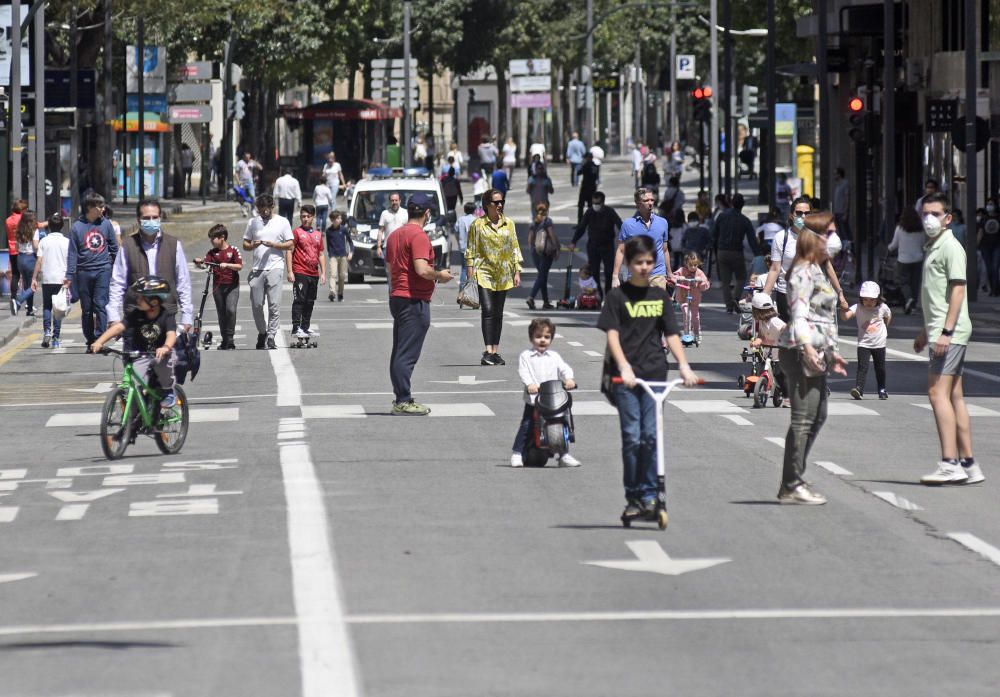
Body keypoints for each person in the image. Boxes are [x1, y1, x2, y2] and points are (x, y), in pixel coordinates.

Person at [598, 234, 699, 520]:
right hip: (626, 378)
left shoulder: (659, 297)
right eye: (638, 262)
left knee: (651, 436)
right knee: (632, 437)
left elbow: (671, 334)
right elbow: (613, 336)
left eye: (649, 262)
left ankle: (651, 494)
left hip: (655, 373)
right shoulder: (617, 297)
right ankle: (634, 496)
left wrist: (683, 365)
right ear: (629, 263)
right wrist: (624, 367)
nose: (644, 267)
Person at [776, 213, 848, 505]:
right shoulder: (803, 271)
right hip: (800, 350)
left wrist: (832, 352)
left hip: (816, 351)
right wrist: (808, 350)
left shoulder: (816, 268)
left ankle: (792, 480)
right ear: (814, 237)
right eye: (828, 233)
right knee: (804, 418)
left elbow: (824, 317)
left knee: (817, 416)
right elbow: (800, 313)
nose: (834, 239)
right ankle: (792, 483)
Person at [913, 193, 983, 486]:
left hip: (949, 332)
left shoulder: (951, 247)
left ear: (948, 218)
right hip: (941, 329)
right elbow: (935, 296)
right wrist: (925, 331)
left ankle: (949, 462)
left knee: (936, 393)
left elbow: (957, 290)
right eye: (926, 213)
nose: (930, 218)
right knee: (954, 395)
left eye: (936, 213)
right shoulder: (933, 246)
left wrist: (945, 331)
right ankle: (969, 464)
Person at [387, 193, 455, 415]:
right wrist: (440, 275)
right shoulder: (419, 236)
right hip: (413, 298)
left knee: (400, 350)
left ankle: (401, 397)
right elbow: (421, 269)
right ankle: (403, 400)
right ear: (427, 213)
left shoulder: (395, 235)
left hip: (398, 295)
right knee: (407, 353)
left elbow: (391, 268)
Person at [108, 198, 194, 347]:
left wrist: (187, 316)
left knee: (166, 365)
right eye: (146, 218)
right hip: (135, 316)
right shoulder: (128, 245)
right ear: (138, 220)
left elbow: (183, 283)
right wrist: (113, 316)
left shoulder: (173, 245)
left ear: (160, 218)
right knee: (134, 366)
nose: (151, 221)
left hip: (165, 317)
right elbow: (118, 283)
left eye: (155, 217)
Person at [91, 276, 178, 408]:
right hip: (141, 355)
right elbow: (119, 327)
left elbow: (171, 334)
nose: (137, 300)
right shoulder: (136, 314)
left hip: (162, 354)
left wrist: (166, 347)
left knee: (163, 364)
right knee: (135, 384)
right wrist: (99, 342)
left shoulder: (166, 315)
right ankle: (135, 419)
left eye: (141, 298)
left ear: (153, 302)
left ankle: (168, 392)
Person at [763, 197, 848, 322]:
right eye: (799, 213)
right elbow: (775, 269)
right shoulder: (781, 238)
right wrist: (764, 297)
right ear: (791, 215)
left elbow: (827, 266)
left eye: (807, 213)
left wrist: (840, 293)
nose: (803, 216)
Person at [511, 318, 579, 467]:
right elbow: (524, 372)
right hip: (534, 398)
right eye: (538, 336)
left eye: (546, 337)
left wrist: (569, 379)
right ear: (531, 338)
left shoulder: (554, 356)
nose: (542, 340)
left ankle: (564, 455)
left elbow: (564, 368)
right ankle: (517, 453)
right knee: (527, 424)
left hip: (554, 398)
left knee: (562, 421)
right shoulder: (526, 356)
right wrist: (530, 384)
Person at [466, 188, 522, 366]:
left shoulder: (509, 224)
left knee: (498, 313)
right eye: (496, 202)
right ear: (486, 205)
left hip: (504, 274)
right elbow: (471, 250)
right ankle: (488, 350)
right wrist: (470, 275)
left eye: (502, 202)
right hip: (484, 273)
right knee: (488, 310)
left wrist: (517, 271)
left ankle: (495, 351)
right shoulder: (478, 225)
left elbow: (514, 248)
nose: (500, 205)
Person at [64, 193, 119, 350]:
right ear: (90, 208)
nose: (103, 209)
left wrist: (119, 268)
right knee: (87, 309)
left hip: (103, 270)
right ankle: (90, 339)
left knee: (101, 304)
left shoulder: (106, 224)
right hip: (83, 272)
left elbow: (114, 248)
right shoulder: (76, 228)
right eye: (100, 206)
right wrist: (69, 275)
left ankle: (100, 338)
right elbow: (72, 254)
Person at [243, 193, 293, 350]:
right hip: (257, 269)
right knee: (257, 305)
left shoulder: (282, 222)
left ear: (272, 207)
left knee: (274, 304)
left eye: (267, 209)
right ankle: (262, 332)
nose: (264, 212)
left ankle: (271, 335)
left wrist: (274, 245)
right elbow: (245, 243)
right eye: (261, 210)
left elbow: (290, 244)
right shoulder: (253, 222)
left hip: (275, 267)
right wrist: (253, 245)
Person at [193, 225, 242, 350]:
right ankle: (224, 340)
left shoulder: (233, 250)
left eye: (213, 238)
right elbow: (205, 265)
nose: (211, 241)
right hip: (218, 287)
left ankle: (230, 339)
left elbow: (239, 266)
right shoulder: (211, 253)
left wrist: (228, 265)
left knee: (231, 310)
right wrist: (199, 264)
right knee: (221, 313)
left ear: (222, 237)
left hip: (232, 286)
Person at [613, 188, 670, 290]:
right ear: (638, 204)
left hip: (658, 274)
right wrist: (615, 276)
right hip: (635, 276)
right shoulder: (628, 224)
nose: (650, 203)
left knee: (656, 305)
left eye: (652, 200)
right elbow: (621, 251)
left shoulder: (663, 222)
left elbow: (665, 250)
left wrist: (669, 273)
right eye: (646, 200)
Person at [843, 281, 891, 400]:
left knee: (880, 367)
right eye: (866, 299)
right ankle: (859, 389)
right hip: (864, 343)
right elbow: (845, 317)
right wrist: (843, 309)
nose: (868, 302)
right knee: (862, 367)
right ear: (861, 298)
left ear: (878, 299)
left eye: (872, 299)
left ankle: (882, 389)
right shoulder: (858, 307)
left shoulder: (882, 307)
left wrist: (885, 328)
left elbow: (888, 316)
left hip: (879, 343)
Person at [570, 191, 622, 299]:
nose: (595, 205)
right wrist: (573, 242)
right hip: (593, 246)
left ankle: (608, 293)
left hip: (607, 246)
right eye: (593, 203)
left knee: (609, 272)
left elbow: (620, 224)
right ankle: (599, 293)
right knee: (594, 272)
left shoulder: (609, 212)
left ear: (603, 202)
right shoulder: (589, 212)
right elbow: (581, 228)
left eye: (597, 203)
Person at [713, 192, 759, 313]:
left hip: (722, 252)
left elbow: (714, 234)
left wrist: (714, 249)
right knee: (741, 277)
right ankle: (736, 297)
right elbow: (752, 240)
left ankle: (729, 305)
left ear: (732, 203)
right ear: (742, 205)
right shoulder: (745, 220)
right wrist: (759, 255)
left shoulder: (722, 216)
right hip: (737, 252)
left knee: (725, 281)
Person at [287, 205, 326, 340]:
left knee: (310, 301)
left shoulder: (317, 234)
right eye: (303, 216)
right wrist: (290, 271)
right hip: (300, 271)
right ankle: (296, 328)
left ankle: (305, 326)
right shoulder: (296, 232)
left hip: (313, 273)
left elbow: (320, 254)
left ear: (313, 217)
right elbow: (289, 251)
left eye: (308, 216)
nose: (305, 219)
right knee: (299, 300)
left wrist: (323, 273)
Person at [30, 212, 69, 348]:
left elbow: (39, 261)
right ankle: (56, 338)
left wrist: (34, 278)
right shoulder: (67, 242)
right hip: (62, 279)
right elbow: (70, 261)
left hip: (47, 278)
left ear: (49, 227)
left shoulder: (44, 241)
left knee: (47, 306)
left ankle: (47, 331)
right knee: (58, 308)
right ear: (62, 226)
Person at [888, 207, 925, 314]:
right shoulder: (921, 229)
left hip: (903, 259)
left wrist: (888, 249)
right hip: (918, 259)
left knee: (903, 281)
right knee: (915, 282)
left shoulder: (900, 228)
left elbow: (894, 244)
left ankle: (909, 298)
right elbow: (923, 244)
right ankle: (913, 303)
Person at [670, 251, 710, 341]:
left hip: (694, 299)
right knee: (687, 315)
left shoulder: (699, 273)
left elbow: (706, 285)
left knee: (695, 317)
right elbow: (673, 277)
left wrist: (701, 281)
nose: (693, 267)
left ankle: (697, 332)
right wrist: (678, 278)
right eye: (690, 265)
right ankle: (687, 333)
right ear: (686, 264)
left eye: (695, 265)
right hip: (683, 298)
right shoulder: (682, 270)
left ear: (698, 264)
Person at [526, 202, 559, 310]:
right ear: (547, 210)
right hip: (546, 252)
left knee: (542, 276)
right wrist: (556, 248)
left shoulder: (533, 223)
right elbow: (552, 235)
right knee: (542, 276)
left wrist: (534, 249)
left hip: (535, 252)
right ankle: (531, 297)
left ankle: (545, 301)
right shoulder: (547, 221)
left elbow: (530, 240)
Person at [8, 210, 39, 316]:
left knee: (26, 285)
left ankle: (29, 309)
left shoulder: (18, 230)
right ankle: (18, 302)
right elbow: (35, 246)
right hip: (30, 258)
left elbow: (16, 246)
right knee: (33, 285)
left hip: (20, 258)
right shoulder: (34, 230)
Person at [325, 211, 353, 302]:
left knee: (342, 276)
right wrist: (330, 254)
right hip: (333, 256)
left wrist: (351, 252)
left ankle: (340, 293)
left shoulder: (343, 229)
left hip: (343, 256)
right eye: (338, 218)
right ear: (332, 220)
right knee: (333, 274)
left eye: (340, 218)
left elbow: (350, 241)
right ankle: (332, 292)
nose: (340, 220)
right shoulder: (328, 231)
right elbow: (328, 244)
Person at [5, 199, 28, 309]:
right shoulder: (23, 220)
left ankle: (13, 298)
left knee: (15, 275)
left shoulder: (8, 220)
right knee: (27, 276)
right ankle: (28, 302)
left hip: (12, 250)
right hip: (22, 250)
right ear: (22, 209)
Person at [978, 196, 1000, 296]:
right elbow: (980, 232)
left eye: (991, 204)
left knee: (995, 268)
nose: (989, 206)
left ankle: (995, 290)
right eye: (988, 204)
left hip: (997, 245)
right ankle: (993, 289)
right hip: (985, 246)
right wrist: (977, 244)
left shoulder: (998, 217)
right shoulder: (984, 218)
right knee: (989, 269)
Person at [375, 192, 408, 258]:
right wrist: (378, 247)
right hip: (388, 247)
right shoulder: (384, 213)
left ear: (400, 201)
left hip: (402, 248)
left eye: (396, 200)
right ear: (389, 202)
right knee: (388, 268)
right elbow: (380, 231)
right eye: (392, 200)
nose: (394, 202)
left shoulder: (406, 213)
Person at [455, 201, 476, 289]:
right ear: (474, 210)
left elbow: (456, 231)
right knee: (473, 268)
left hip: (463, 247)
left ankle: (462, 289)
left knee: (464, 268)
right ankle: (473, 289)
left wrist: (459, 242)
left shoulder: (460, 220)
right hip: (474, 248)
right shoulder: (476, 220)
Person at [577, 152, 600, 224]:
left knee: (581, 205)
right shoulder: (596, 166)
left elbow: (579, 172)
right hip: (593, 187)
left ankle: (580, 222)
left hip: (585, 187)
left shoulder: (586, 165)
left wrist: (582, 164)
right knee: (591, 206)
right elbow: (597, 176)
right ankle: (592, 221)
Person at [832, 166, 850, 242]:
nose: (834, 176)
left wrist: (846, 213)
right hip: (837, 212)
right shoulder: (838, 185)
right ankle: (844, 249)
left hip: (842, 212)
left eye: (835, 174)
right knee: (840, 233)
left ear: (839, 174)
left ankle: (850, 248)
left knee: (845, 232)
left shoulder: (845, 184)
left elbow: (847, 198)